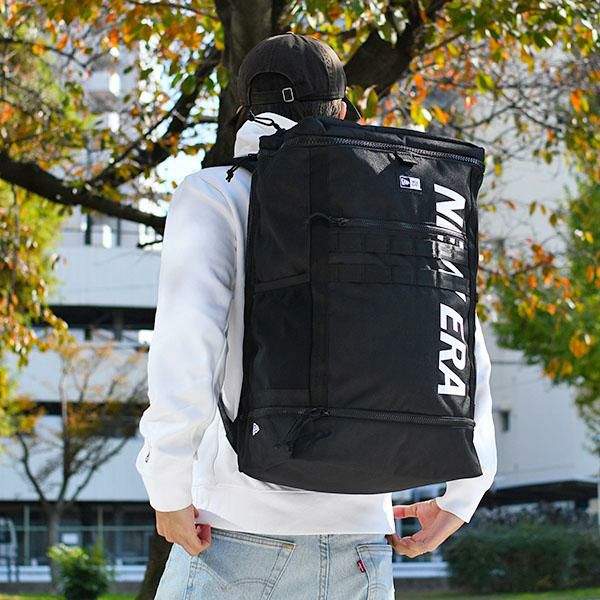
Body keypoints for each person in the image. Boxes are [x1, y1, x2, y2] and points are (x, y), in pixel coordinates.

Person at [135, 32, 498, 600]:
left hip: (237, 533)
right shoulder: (407, 203)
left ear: (243, 112)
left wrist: (168, 484)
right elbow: (458, 334)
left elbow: (187, 340)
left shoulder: (215, 194)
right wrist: (463, 496)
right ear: (343, 111)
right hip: (364, 547)